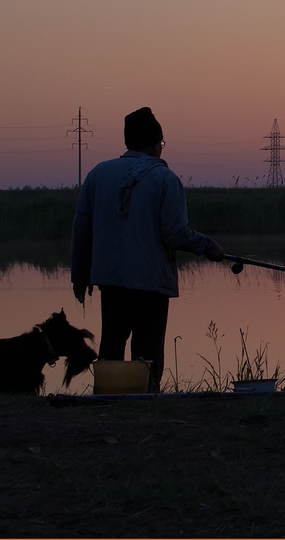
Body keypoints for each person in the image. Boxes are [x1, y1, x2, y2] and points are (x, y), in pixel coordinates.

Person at [71, 107, 225, 391]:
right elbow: (175, 234)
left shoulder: (98, 175)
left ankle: (107, 398)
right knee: (148, 352)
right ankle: (147, 400)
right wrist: (207, 246)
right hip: (151, 282)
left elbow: (82, 229)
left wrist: (80, 277)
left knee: (112, 345)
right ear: (155, 144)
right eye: (161, 143)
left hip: (111, 280)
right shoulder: (165, 179)